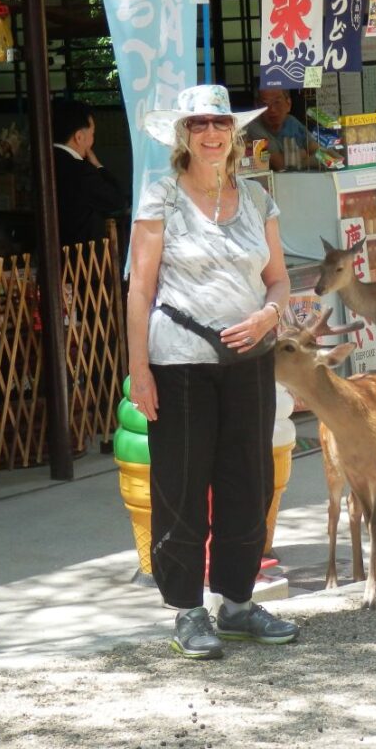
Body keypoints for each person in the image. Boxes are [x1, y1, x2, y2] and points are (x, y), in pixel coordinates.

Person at [126, 84, 299, 660]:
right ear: (184, 135)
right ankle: (187, 610)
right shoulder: (161, 198)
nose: (209, 134)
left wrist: (269, 315)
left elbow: (278, 277)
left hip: (248, 357)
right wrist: (138, 370)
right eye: (197, 124)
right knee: (179, 482)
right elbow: (140, 289)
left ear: (234, 133)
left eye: (218, 124)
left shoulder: (257, 200)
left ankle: (239, 603)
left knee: (246, 482)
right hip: (177, 361)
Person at [52, 99, 127, 247]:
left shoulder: (47, 162)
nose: (93, 140)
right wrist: (98, 166)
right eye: (92, 134)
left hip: (53, 256)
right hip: (81, 261)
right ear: (79, 137)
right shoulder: (80, 171)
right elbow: (117, 200)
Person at [245, 88, 319, 171]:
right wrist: (303, 154)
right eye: (265, 104)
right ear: (257, 107)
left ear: (288, 104)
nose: (272, 109)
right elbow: (280, 165)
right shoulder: (253, 128)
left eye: (277, 102)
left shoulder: (291, 122)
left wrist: (299, 160)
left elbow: (319, 152)